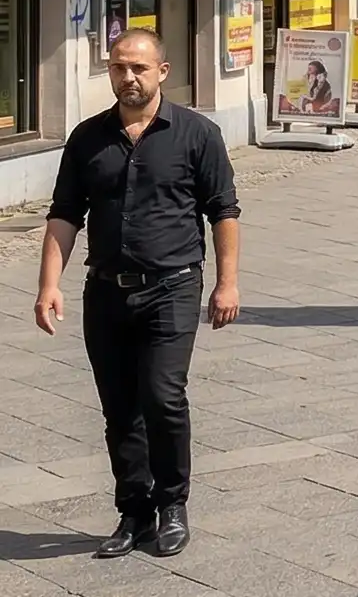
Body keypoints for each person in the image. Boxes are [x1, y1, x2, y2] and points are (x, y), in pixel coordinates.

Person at [33, 28, 241, 560]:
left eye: (139, 68)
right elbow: (64, 214)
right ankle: (134, 512)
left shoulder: (197, 134)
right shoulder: (86, 139)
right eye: (120, 67)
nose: (128, 77)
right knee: (120, 409)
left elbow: (223, 211)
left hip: (172, 288)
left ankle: (173, 504)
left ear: (161, 72)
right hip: (104, 292)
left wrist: (227, 282)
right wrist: (48, 285)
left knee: (163, 396)